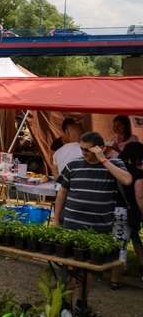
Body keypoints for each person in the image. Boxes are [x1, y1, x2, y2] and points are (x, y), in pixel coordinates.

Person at [53, 132, 132, 314]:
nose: (83, 153)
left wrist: (104, 160)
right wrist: (56, 219)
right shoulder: (74, 165)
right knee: (71, 266)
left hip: (98, 228)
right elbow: (62, 192)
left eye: (87, 150)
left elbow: (127, 180)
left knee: (88, 268)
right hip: (72, 225)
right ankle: (66, 305)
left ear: (98, 148)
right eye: (82, 149)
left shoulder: (113, 164)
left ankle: (82, 303)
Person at [110, 141, 143, 290]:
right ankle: (115, 279)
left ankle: (100, 270)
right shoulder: (138, 174)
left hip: (108, 210)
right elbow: (140, 196)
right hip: (124, 212)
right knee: (121, 245)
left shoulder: (113, 168)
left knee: (107, 242)